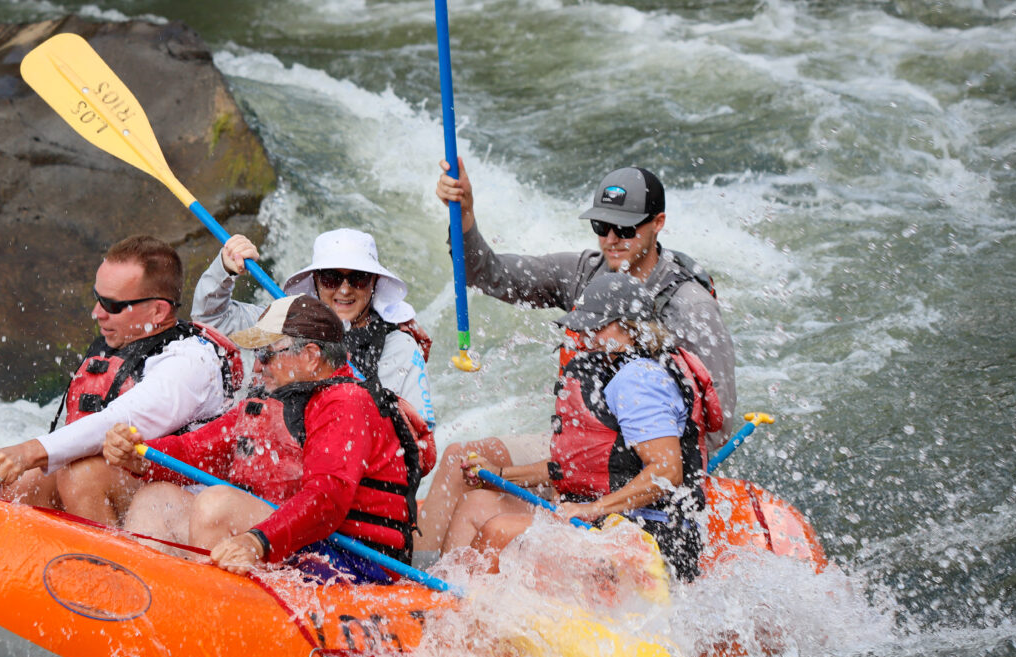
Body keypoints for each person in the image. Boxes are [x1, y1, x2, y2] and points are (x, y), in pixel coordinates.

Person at [418, 160, 736, 557]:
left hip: (638, 463)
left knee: (490, 513)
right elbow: (490, 274)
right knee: (456, 460)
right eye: (602, 227)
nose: (612, 239)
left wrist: (615, 482)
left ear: (658, 223)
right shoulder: (584, 272)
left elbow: (712, 420)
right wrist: (464, 214)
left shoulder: (689, 305)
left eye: (626, 228)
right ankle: (416, 589)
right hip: (587, 445)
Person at [104, 295, 427, 578]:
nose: (259, 364)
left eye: (268, 352)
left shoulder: (346, 402)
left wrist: (257, 541)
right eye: (258, 353)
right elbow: (193, 450)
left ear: (311, 355)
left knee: (217, 506)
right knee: (156, 499)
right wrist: (140, 456)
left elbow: (326, 499)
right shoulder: (270, 402)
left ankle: (207, 617)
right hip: (295, 539)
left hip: (356, 561)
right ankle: (149, 605)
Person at [442, 272, 723, 582]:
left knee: (498, 531)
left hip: (652, 539)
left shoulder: (639, 379)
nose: (586, 334)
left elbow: (667, 471)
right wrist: (500, 474)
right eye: (585, 325)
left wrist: (593, 509)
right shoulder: (613, 367)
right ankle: (436, 604)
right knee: (476, 504)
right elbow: (579, 466)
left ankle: (464, 618)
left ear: (631, 327)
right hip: (614, 522)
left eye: (598, 326)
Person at [0, 235, 241, 524]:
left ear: (158, 310)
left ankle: (105, 566)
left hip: (184, 508)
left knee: (80, 474)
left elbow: (121, 419)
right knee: (21, 483)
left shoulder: (192, 361)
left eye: (112, 305)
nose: (97, 314)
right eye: (98, 298)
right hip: (126, 485)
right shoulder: (122, 341)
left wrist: (27, 451)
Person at [191, 228, 435, 428]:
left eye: (358, 278)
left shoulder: (400, 346)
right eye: (331, 277)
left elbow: (419, 434)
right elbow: (209, 319)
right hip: (273, 457)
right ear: (315, 281)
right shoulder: (281, 320)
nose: (345, 289)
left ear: (375, 282)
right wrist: (223, 268)